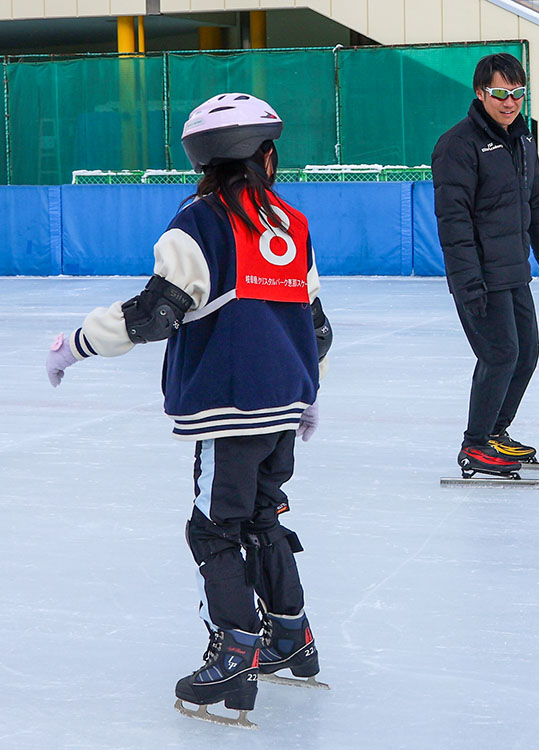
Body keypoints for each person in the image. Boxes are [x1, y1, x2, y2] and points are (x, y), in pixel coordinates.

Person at [45, 93, 333, 726]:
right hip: (283, 406)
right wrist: (308, 393)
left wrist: (76, 345)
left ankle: (235, 652)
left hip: (230, 410)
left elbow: (154, 316)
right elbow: (316, 327)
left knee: (213, 530)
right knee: (262, 516)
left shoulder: (199, 223)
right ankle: (290, 635)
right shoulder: (292, 224)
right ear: (267, 155)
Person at [431, 52, 539, 477]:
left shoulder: (522, 140)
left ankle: (495, 433)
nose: (510, 103)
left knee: (526, 354)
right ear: (480, 92)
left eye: (517, 94)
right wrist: (467, 281)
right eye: (501, 94)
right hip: (479, 276)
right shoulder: (458, 145)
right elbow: (454, 221)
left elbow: (536, 201)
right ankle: (475, 445)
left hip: (513, 271)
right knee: (501, 354)